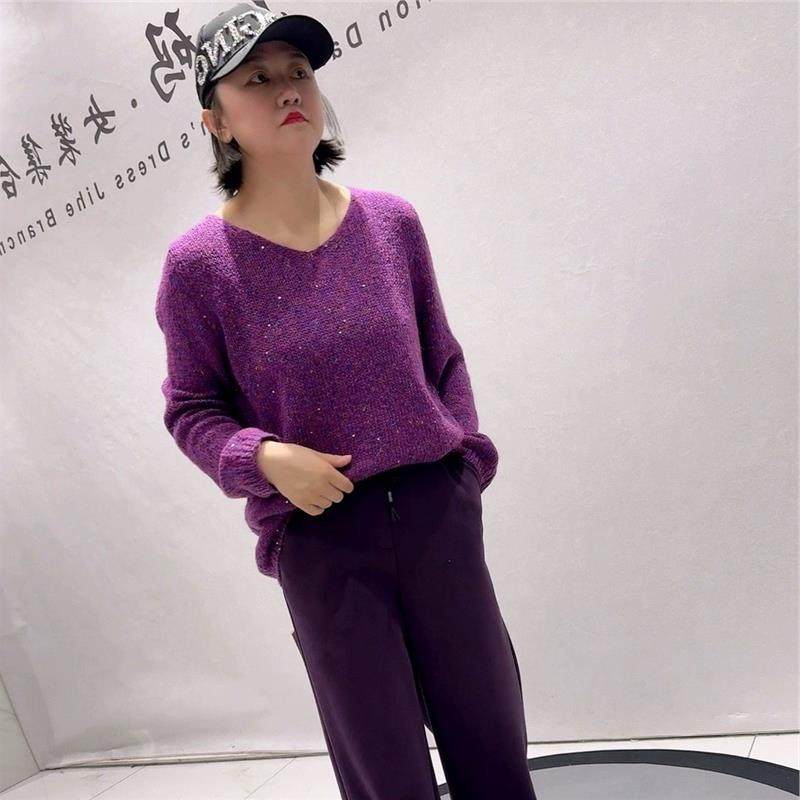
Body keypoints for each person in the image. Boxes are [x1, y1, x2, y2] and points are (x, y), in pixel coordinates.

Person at [155, 3, 538, 798]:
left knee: (493, 743)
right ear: (216, 121)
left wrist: (463, 470)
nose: (287, 89)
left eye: (298, 71)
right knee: (383, 765)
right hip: (322, 539)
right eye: (256, 79)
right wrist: (263, 458)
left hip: (436, 516)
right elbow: (191, 408)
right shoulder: (199, 267)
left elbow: (442, 357)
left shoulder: (391, 224)